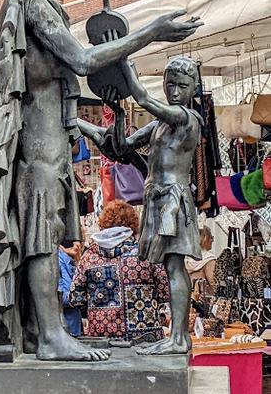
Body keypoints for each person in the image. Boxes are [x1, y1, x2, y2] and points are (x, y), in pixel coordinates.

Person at [0, 0, 202, 362]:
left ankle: (36, 332)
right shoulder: (34, 2)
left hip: (45, 140)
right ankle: (50, 335)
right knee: (40, 236)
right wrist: (149, 33)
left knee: (42, 233)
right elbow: (83, 59)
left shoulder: (39, 2)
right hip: (37, 142)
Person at [93, 57, 203, 355]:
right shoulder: (158, 125)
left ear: (194, 88)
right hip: (156, 197)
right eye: (170, 85)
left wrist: (123, 59)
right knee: (169, 266)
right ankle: (176, 336)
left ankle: (179, 338)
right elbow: (123, 148)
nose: (175, 91)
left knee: (175, 264)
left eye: (182, 86)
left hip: (173, 200)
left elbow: (141, 97)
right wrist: (115, 116)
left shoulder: (187, 118)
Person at [69, 199, 169, 342]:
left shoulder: (89, 256)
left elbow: (75, 299)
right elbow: (166, 291)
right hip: (144, 337)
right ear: (133, 224)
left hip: (102, 338)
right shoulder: (146, 254)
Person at [58, 242, 83, 337]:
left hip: (72, 325)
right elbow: (62, 299)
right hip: (67, 329)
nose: (78, 246)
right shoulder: (60, 260)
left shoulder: (69, 259)